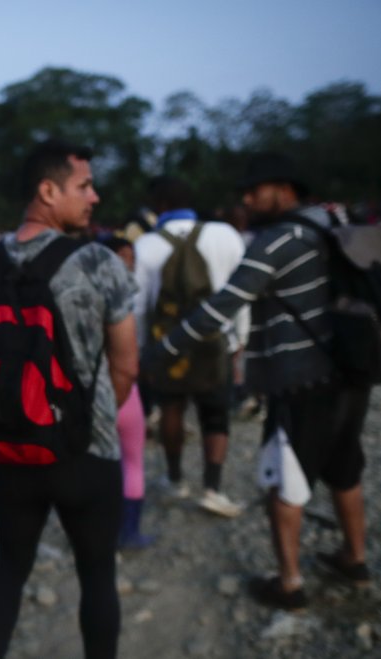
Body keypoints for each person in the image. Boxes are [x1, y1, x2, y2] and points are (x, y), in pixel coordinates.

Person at [141, 152, 373, 611]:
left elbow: (226, 302)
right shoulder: (328, 223)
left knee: (284, 479)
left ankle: (289, 582)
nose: (246, 199)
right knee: (344, 466)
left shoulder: (278, 238)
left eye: (255, 189)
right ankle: (354, 557)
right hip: (348, 372)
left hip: (300, 378)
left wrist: (163, 349)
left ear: (285, 188)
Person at [0, 139, 137, 658]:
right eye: (84, 186)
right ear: (48, 190)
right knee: (97, 574)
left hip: (10, 445)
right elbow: (126, 364)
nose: (95, 197)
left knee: (10, 567)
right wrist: (92, 412)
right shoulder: (99, 261)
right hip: (87, 449)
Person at [133, 175, 248, 518]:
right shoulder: (224, 235)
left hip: (166, 347)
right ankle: (212, 488)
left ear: (161, 206)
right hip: (216, 343)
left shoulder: (147, 245)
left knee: (171, 409)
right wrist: (240, 339)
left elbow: (139, 306)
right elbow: (243, 293)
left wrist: (142, 351)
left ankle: (174, 478)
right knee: (215, 415)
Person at [99, 234, 155, 550]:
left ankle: (102, 531)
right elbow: (129, 358)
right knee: (132, 461)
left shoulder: (80, 294)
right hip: (124, 391)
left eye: (130, 253)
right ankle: (129, 532)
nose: (128, 260)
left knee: (101, 465)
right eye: (122, 253)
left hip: (92, 392)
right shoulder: (125, 297)